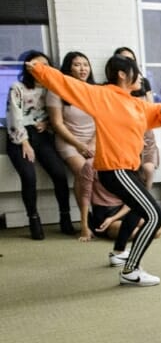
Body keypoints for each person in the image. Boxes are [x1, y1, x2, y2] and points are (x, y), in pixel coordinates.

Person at [27, 54, 161, 284]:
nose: (141, 78)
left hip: (128, 169)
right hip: (115, 170)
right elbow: (66, 84)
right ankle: (130, 271)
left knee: (138, 209)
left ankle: (118, 253)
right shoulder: (102, 95)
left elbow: (151, 115)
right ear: (122, 74)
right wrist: (40, 70)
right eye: (136, 72)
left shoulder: (133, 102)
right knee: (155, 215)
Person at [45, 51, 125, 242]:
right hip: (69, 142)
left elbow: (103, 121)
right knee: (83, 171)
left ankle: (98, 214)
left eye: (85, 64)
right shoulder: (57, 90)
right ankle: (85, 223)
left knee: (97, 174)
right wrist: (79, 145)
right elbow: (57, 124)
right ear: (67, 68)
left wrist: (92, 143)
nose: (82, 68)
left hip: (94, 140)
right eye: (77, 65)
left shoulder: (94, 90)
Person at [6, 50, 73, 240]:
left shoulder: (51, 88)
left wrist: (48, 123)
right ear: (28, 66)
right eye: (36, 64)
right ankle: (34, 220)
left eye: (45, 64)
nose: (40, 67)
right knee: (29, 178)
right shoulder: (17, 87)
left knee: (59, 174)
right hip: (19, 137)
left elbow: (58, 115)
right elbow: (14, 117)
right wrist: (25, 143)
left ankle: (65, 217)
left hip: (43, 135)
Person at [114, 47, 159, 190]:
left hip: (145, 129)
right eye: (124, 59)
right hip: (126, 133)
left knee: (148, 168)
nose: (129, 62)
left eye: (131, 59)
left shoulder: (143, 81)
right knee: (133, 171)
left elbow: (151, 107)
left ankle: (147, 198)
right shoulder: (114, 87)